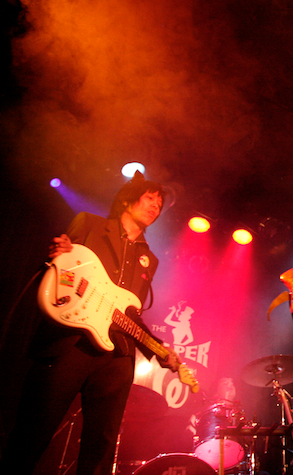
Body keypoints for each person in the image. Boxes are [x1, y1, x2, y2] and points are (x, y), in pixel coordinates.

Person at [0, 171, 181, 475]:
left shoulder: (149, 258)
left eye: (159, 204)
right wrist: (55, 257)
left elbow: (132, 313)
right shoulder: (89, 224)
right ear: (127, 199)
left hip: (116, 355)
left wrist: (159, 350)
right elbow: (60, 272)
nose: (155, 207)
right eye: (150, 198)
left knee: (101, 445)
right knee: (34, 430)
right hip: (71, 341)